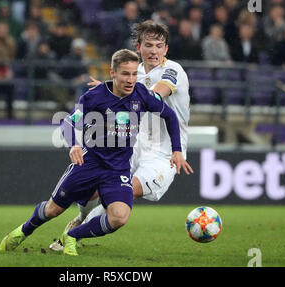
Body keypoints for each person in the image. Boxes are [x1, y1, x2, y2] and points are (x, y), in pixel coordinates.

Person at [0, 49, 185, 256]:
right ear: (113, 73)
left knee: (119, 217)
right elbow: (68, 123)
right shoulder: (94, 97)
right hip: (89, 165)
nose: (131, 79)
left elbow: (169, 116)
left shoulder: (142, 94)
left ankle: (72, 235)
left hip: (117, 170)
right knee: (53, 210)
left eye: (134, 74)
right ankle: (23, 231)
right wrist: (74, 145)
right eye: (125, 74)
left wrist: (176, 150)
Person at [49, 20, 193, 252]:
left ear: (165, 49)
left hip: (164, 153)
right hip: (134, 144)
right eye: (148, 45)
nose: (153, 51)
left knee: (127, 192)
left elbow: (155, 94)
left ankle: (72, 235)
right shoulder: (137, 72)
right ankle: (80, 217)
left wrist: (118, 89)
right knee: (96, 187)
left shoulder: (172, 70)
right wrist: (114, 87)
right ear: (139, 47)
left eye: (159, 45)